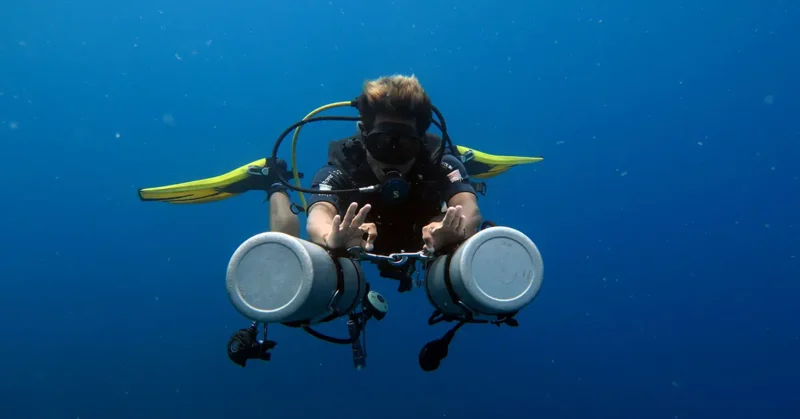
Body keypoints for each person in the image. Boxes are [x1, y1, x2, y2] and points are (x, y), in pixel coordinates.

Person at [304, 75, 483, 290]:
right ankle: (273, 183)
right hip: (351, 239)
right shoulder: (344, 165)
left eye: (406, 146)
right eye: (382, 144)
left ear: (421, 142)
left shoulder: (439, 162)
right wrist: (330, 236)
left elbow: (470, 210)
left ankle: (466, 163)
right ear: (364, 136)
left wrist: (456, 229)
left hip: (431, 235)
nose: (394, 159)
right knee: (299, 251)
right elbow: (318, 215)